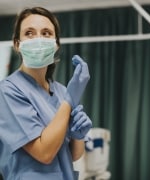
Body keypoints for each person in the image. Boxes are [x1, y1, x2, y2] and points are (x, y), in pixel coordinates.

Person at [0, 7, 92, 180]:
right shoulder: (7, 91)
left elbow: (71, 155)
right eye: (29, 33)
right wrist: (69, 101)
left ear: (56, 44)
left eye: (46, 33)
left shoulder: (62, 91)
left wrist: (78, 136)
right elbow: (44, 153)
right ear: (17, 44)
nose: (38, 39)